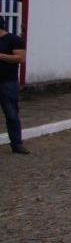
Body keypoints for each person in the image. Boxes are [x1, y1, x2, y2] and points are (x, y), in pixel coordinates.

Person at [0, 19, 28, 154]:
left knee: (11, 114)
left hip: (7, 82)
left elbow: (20, 58)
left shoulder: (13, 40)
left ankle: (16, 143)